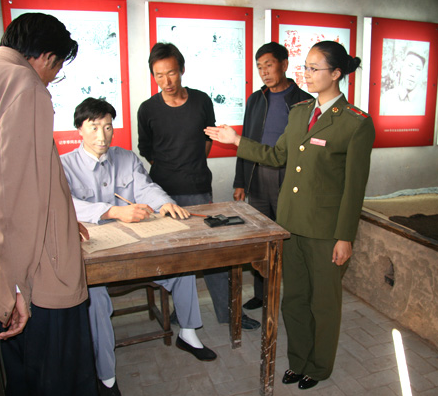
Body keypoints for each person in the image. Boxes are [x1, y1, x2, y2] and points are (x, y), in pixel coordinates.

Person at [206, 41, 375, 390]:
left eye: (315, 68)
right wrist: (236, 140)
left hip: (326, 231)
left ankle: (320, 366)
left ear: (337, 74)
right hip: (291, 225)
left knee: (323, 303)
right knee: (294, 298)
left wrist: (346, 237)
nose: (307, 74)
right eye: (306, 67)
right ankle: (299, 361)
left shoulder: (355, 124)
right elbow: (275, 155)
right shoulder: (299, 113)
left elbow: (354, 189)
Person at [0, 13, 98, 395]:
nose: (52, 78)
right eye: (58, 68)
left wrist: (64, 218)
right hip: (38, 276)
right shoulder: (25, 85)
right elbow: (11, 194)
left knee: (24, 377)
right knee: (60, 377)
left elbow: (3, 179)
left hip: (6, 258)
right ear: (46, 57)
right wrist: (15, 284)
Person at [61, 97, 218, 395]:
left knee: (181, 263)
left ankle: (188, 332)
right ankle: (106, 374)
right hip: (96, 249)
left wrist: (166, 203)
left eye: (107, 127)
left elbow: (146, 186)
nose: (102, 135)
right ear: (79, 129)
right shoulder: (64, 165)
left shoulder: (126, 157)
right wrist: (111, 212)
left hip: (134, 246)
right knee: (94, 294)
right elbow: (65, 204)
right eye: (93, 128)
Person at [137, 42, 260, 330]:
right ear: (153, 76)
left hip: (198, 188)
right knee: (176, 257)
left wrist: (189, 165)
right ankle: (183, 311)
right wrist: (171, 168)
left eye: (171, 73)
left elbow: (207, 139)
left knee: (213, 255)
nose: (166, 81)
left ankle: (230, 314)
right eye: (158, 75)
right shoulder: (148, 109)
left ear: (181, 70)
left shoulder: (202, 101)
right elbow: (147, 150)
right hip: (163, 193)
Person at [234, 42, 313, 310]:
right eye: (259, 67)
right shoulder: (256, 99)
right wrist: (240, 181)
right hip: (258, 177)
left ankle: (291, 292)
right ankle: (261, 292)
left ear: (284, 64)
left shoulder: (303, 101)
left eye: (269, 64)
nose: (264, 72)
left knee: (288, 239)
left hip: (288, 179)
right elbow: (245, 140)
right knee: (261, 238)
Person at [380, 48, 427, 116]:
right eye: (409, 66)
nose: (412, 73)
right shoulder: (386, 98)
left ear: (422, 74)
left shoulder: (424, 102)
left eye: (418, 69)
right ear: (402, 68)